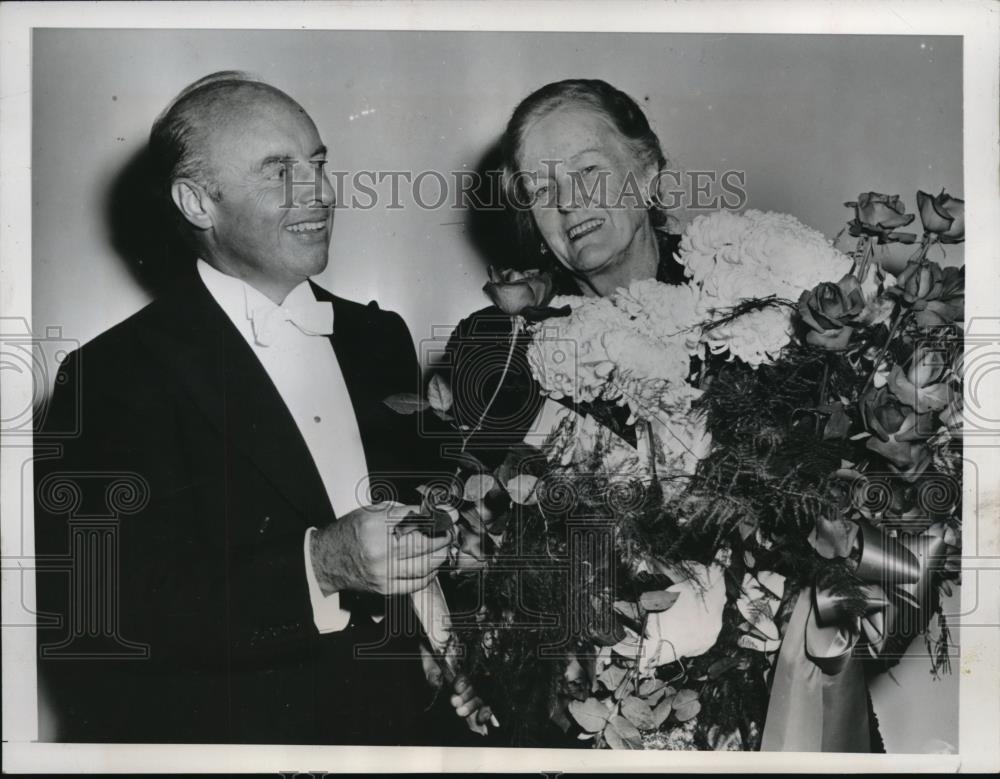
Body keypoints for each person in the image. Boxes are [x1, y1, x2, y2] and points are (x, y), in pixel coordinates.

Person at [35, 71, 489, 744]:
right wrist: (321, 565)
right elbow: (101, 619)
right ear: (196, 203)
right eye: (279, 172)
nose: (320, 193)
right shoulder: (111, 377)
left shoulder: (379, 338)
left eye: (318, 163)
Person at [445, 78, 686, 457]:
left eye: (588, 169)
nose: (569, 202)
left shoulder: (743, 290)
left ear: (647, 173)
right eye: (541, 189)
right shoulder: (496, 349)